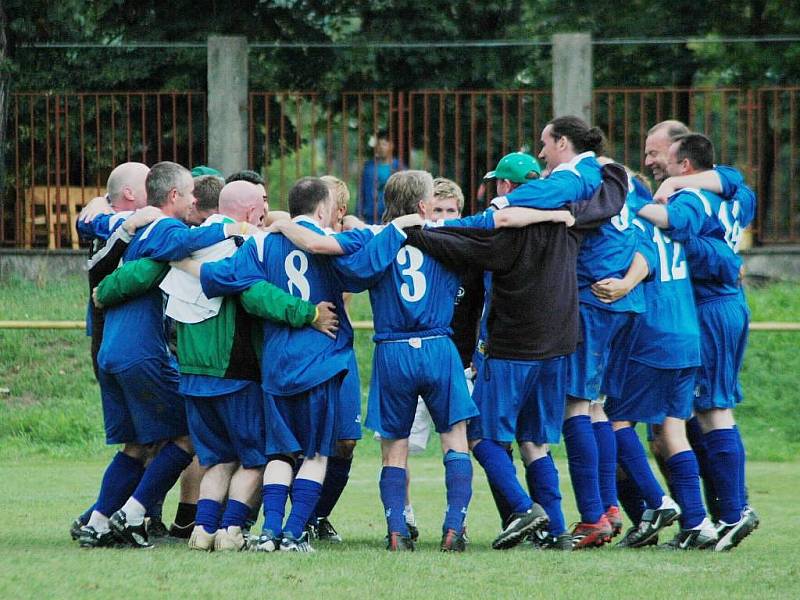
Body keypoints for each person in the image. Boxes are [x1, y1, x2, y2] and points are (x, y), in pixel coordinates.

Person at [92, 179, 339, 552]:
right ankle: (230, 531)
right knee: (254, 460)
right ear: (253, 212)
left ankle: (202, 530)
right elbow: (257, 296)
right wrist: (307, 314)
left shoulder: (186, 240)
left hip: (191, 376)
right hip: (234, 374)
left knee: (217, 460)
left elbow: (139, 273)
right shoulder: (241, 244)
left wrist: (103, 291)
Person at [405, 160, 629, 551]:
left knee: (479, 435)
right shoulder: (570, 222)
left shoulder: (505, 230)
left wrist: (414, 234)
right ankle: (556, 530)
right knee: (533, 442)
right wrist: (606, 167)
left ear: (506, 185)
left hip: (511, 349)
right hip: (559, 346)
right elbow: (610, 199)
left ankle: (525, 509)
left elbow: (457, 243)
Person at [193, 177, 422, 553]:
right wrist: (394, 231)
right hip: (322, 360)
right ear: (322, 209)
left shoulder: (262, 242)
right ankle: (295, 533)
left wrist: (194, 266)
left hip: (277, 364)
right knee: (316, 454)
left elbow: (220, 277)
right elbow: (364, 270)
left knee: (281, 453)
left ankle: (269, 533)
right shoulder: (334, 245)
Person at [77, 161, 253, 549]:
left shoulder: (138, 226)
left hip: (113, 351)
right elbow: (190, 243)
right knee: (188, 435)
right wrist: (235, 226)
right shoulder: (164, 227)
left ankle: (99, 521)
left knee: (139, 445)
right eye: (189, 193)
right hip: (143, 353)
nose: (193, 200)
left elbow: (95, 227)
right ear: (173, 196)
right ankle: (134, 513)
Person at [636, 133, 758, 551]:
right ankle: (724, 512)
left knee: (711, 411)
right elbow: (736, 185)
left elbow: (678, 224)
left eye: (661, 157)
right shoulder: (731, 195)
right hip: (725, 306)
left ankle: (731, 512)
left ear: (684, 164)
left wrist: (631, 205)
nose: (657, 165)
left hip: (708, 308)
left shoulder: (690, 199)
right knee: (705, 411)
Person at [358, 129, 404, 224]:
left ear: (391, 146)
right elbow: (361, 192)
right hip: (370, 215)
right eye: (378, 144)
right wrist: (359, 214)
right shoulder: (368, 167)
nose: (380, 148)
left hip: (392, 216)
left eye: (384, 144)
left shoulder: (399, 168)